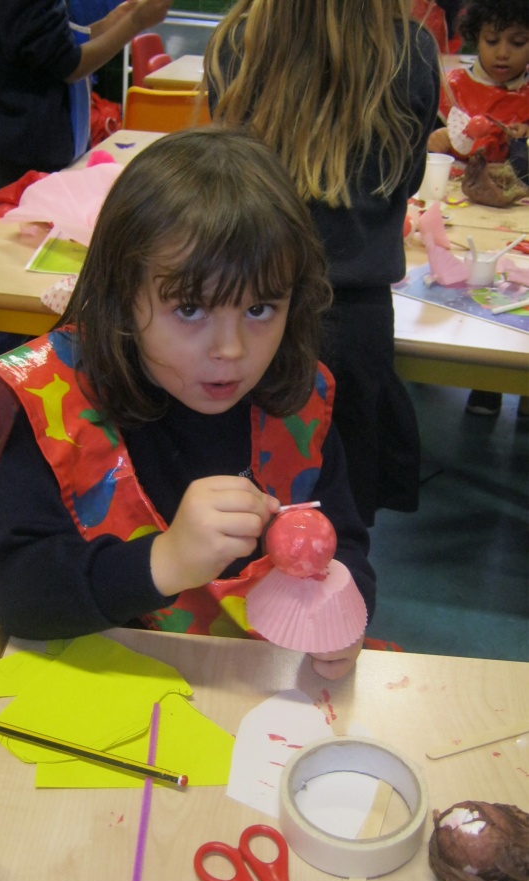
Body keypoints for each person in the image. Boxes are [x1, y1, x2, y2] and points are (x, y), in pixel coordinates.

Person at [0, 128, 376, 680]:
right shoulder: (58, 405)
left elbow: (345, 544)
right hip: (112, 685)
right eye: (189, 310)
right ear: (121, 296)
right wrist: (164, 561)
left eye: (261, 310)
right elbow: (14, 589)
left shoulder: (296, 396)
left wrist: (345, 617)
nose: (230, 350)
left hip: (260, 690)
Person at [204, 0, 440, 528]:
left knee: (246, 510)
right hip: (353, 323)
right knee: (337, 523)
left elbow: (230, 175)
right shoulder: (410, 51)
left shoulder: (237, 42)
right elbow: (405, 179)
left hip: (252, 307)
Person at [427, 0, 529, 417]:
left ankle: (523, 383)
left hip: (519, 212)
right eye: (492, 41)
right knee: (473, 283)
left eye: (518, 42)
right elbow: (432, 144)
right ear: (475, 38)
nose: (503, 53)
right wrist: (435, 140)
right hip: (466, 212)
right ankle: (482, 377)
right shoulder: (454, 87)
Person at [0, 0, 171, 190]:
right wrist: (136, 22)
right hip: (32, 157)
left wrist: (114, 23)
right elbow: (68, 65)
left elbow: (50, 45)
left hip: (26, 144)